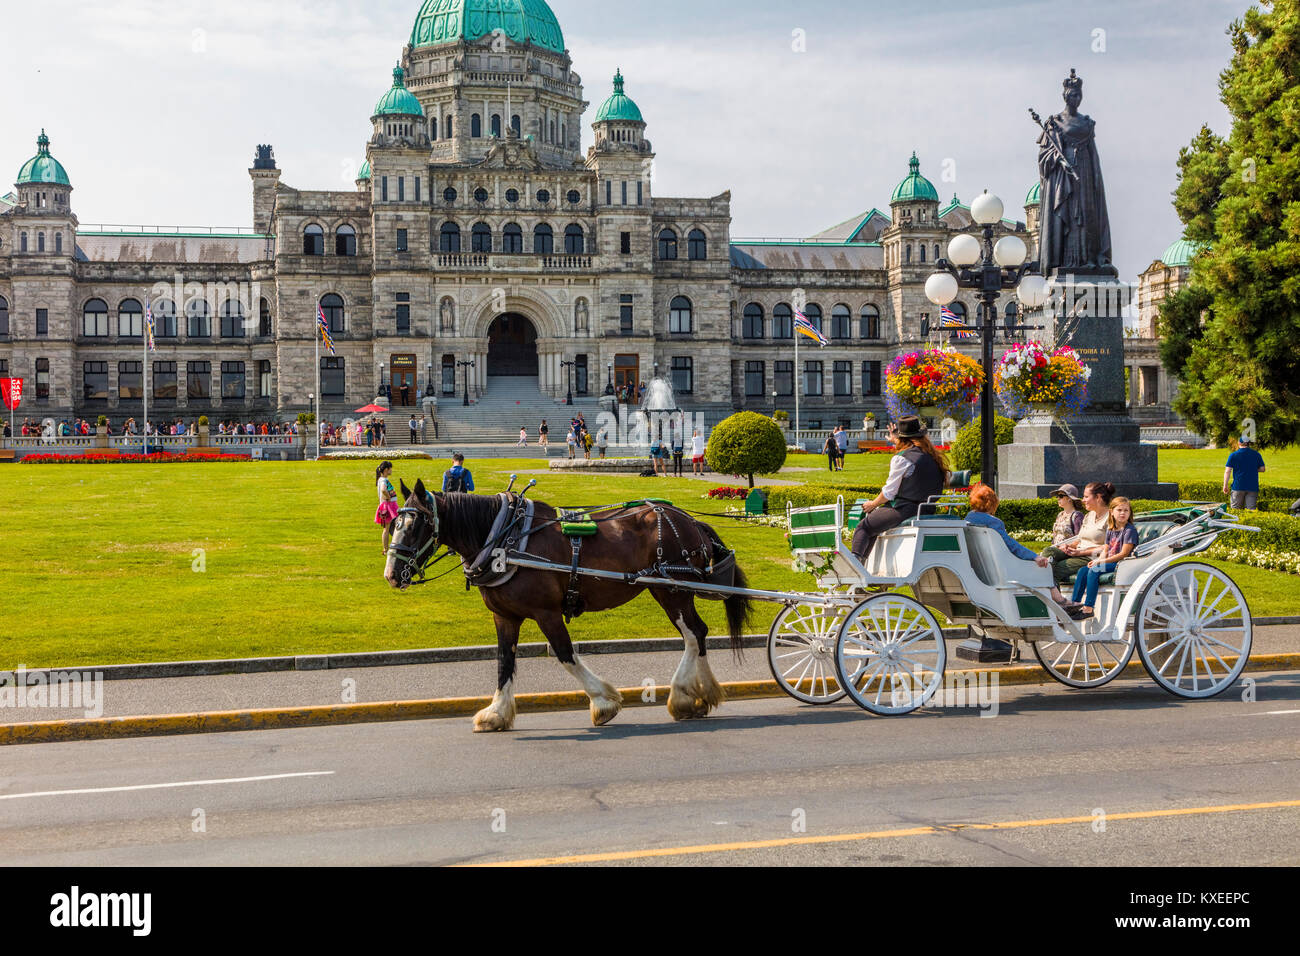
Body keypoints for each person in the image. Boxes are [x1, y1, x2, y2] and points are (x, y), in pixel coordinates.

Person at [850, 416, 950, 562]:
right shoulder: (931, 456)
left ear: (903, 439)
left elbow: (888, 493)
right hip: (927, 508)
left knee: (864, 527)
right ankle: (861, 567)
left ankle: (855, 567)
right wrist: (895, 441)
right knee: (873, 527)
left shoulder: (902, 459)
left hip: (904, 509)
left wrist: (873, 504)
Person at [1068, 496, 1137, 619]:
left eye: (1126, 510)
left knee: (1094, 571)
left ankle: (1089, 608)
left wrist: (1102, 562)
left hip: (1122, 563)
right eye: (1119, 510)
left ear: (1130, 513)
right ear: (1111, 512)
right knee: (1083, 571)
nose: (1122, 513)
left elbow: (1123, 554)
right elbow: (1106, 549)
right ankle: (1075, 604)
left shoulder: (1129, 530)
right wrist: (1098, 560)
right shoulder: (1111, 529)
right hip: (1109, 561)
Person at [1042, 480, 1113, 588]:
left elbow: (1109, 547)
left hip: (1091, 557)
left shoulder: (1111, 518)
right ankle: (1057, 597)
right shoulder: (1088, 516)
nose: (1083, 500)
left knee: (1054, 569)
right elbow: (1079, 539)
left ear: (1098, 497)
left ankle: (1058, 601)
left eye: (1086, 497)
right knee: (1048, 551)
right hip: (1077, 552)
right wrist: (1068, 546)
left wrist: (1080, 552)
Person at [966, 484, 1054, 566]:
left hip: (976, 562)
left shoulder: (969, 518)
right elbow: (1011, 545)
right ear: (992, 503)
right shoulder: (994, 522)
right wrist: (1035, 557)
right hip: (999, 564)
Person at [1223, 435, 1265, 511]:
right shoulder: (1256, 454)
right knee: (1251, 510)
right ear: (1249, 443)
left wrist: (1225, 485)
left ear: (1239, 443)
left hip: (1238, 486)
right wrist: (1251, 469)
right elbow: (1262, 469)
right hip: (1252, 486)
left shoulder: (1233, 455)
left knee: (1235, 511)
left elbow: (1227, 471)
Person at [375, 462, 400, 556]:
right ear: (386, 470)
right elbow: (383, 490)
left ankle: (393, 546)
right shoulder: (383, 480)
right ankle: (385, 549)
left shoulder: (383, 479)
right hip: (388, 506)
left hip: (389, 505)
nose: (391, 470)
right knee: (387, 528)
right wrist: (389, 497)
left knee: (392, 526)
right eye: (390, 468)